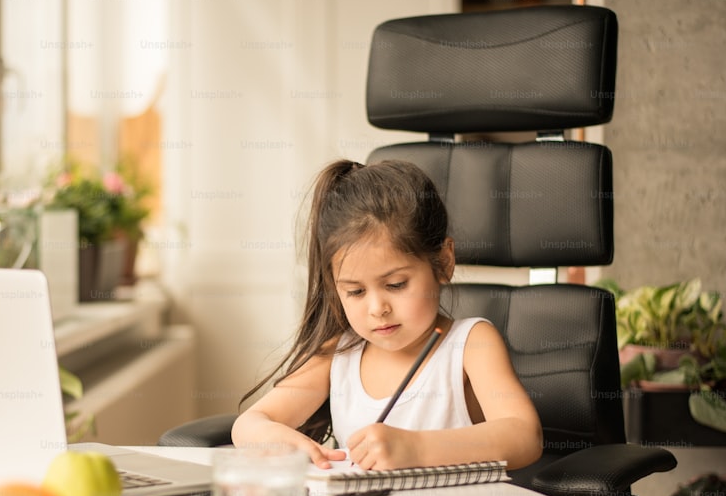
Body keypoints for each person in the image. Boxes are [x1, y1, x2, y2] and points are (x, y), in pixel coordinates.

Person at [231, 159, 542, 471]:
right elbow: (248, 425)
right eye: (355, 292)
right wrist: (273, 437)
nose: (377, 308)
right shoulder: (338, 353)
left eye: (396, 284)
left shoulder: (471, 344)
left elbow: (524, 436)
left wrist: (417, 449)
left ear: (444, 262)